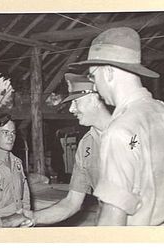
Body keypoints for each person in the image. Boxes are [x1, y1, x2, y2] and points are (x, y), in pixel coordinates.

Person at [69, 27, 164, 226]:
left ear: (109, 72)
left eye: (93, 76)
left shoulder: (120, 130)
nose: (95, 87)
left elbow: (112, 221)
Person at [22, 73, 111, 226]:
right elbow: (71, 203)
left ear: (94, 99)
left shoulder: (132, 132)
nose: (71, 109)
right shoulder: (85, 146)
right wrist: (31, 217)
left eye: (76, 102)